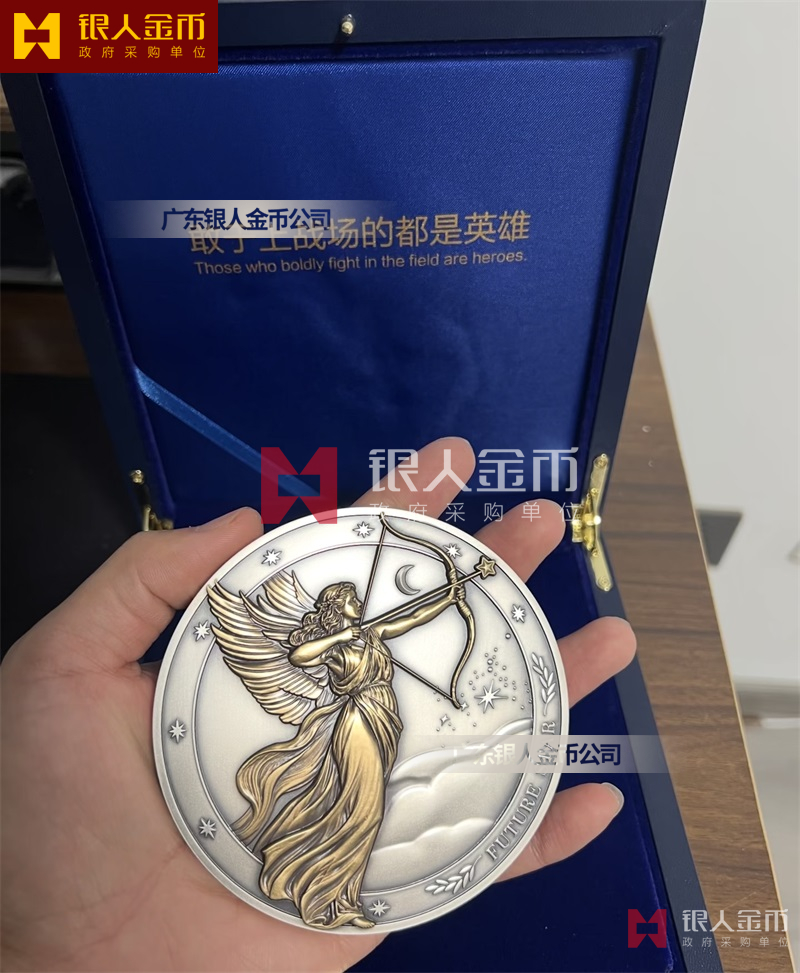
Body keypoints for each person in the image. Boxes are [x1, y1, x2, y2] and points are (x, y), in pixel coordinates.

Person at [0, 438, 635, 972]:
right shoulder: (329, 642)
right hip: (352, 724)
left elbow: (410, 615)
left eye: (360, 609)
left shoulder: (369, 634)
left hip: (382, 724)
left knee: (364, 811)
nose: (361, 612)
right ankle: (330, 899)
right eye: (352, 607)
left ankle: (334, 896)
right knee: (356, 809)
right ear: (337, 609)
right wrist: (342, 637)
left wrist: (455, 589)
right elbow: (301, 656)